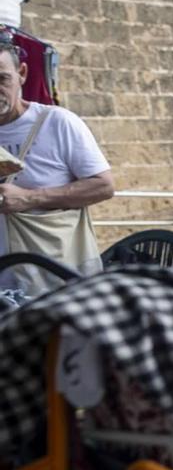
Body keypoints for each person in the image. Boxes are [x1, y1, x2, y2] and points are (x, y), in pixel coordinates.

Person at [0, 44, 112, 290]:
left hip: (53, 284)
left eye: (2, 78)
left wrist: (29, 198)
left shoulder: (57, 122)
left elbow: (103, 186)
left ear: (22, 73)